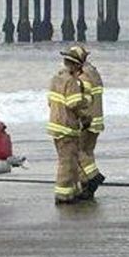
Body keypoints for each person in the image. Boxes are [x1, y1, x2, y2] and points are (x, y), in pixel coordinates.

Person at [48, 49, 92, 205]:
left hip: (56, 125)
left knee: (71, 161)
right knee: (67, 162)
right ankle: (63, 195)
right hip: (67, 127)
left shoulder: (56, 78)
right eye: (79, 67)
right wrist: (85, 110)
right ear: (74, 65)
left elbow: (50, 102)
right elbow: (73, 104)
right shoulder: (71, 81)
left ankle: (73, 190)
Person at [66, 46, 106, 196]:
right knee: (88, 153)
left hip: (87, 121)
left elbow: (81, 101)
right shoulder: (94, 73)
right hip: (97, 120)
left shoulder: (83, 77)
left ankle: (93, 177)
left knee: (78, 152)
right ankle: (88, 187)